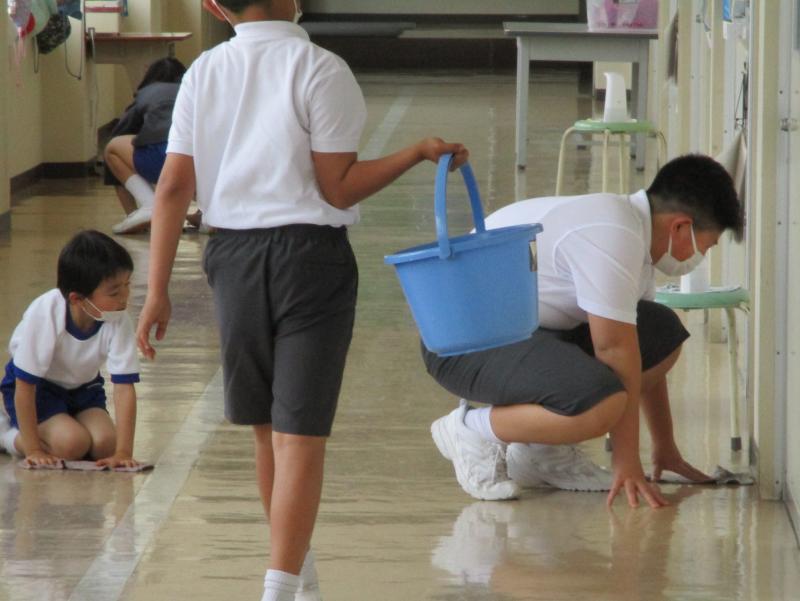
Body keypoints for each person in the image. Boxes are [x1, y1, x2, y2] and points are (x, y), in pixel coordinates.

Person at [135, 2, 468, 600]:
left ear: (214, 6)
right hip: (309, 260)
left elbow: (173, 188)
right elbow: (338, 188)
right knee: (300, 436)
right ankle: (280, 588)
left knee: (267, 431)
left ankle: (298, 577)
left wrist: (156, 290)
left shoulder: (203, 72)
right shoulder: (320, 68)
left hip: (231, 258)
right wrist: (415, 153)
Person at [425, 154, 743, 509]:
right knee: (600, 405)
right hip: (460, 343)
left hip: (521, 331)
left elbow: (635, 347)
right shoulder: (614, 233)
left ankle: (539, 453)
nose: (699, 257)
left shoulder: (634, 236)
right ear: (680, 227)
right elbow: (614, 351)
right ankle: (471, 430)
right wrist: (627, 463)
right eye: (706, 246)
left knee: (661, 332)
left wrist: (665, 448)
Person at [0, 230, 142, 469]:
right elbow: (25, 385)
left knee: (106, 444)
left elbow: (124, 387)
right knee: (71, 445)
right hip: (40, 389)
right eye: (114, 292)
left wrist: (123, 452)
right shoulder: (46, 313)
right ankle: (6, 435)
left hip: (83, 388)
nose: (124, 297)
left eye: (127, 285)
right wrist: (34, 449)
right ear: (77, 298)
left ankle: (65, 423)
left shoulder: (117, 318)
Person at [103, 57, 187, 235]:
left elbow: (119, 133)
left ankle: (148, 206)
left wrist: (130, 212)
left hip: (161, 158)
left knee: (113, 147)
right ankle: (206, 216)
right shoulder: (193, 90)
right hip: (196, 165)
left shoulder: (146, 93)